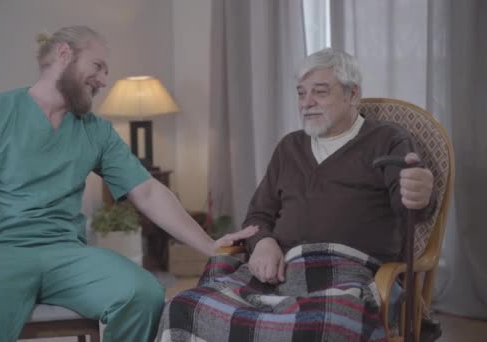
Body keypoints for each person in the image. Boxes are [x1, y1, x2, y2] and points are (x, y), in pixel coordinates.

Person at [0, 25, 257, 342]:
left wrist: (211, 247)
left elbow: (147, 191)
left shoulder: (96, 131)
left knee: (143, 293)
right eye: (98, 66)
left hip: (67, 254)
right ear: (65, 54)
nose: (104, 80)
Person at [156, 48, 436, 342]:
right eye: (301, 93)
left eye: (320, 92)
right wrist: (263, 242)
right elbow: (258, 215)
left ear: (353, 94)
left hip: (350, 276)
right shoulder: (290, 147)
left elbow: (411, 208)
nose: (307, 103)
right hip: (279, 274)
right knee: (182, 306)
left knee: (324, 327)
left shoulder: (388, 139)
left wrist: (420, 193)